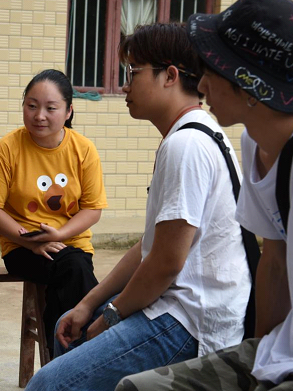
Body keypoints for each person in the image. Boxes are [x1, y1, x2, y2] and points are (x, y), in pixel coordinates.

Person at [25, 23, 252, 391]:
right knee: (68, 324)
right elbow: (151, 246)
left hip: (189, 321)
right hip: (176, 305)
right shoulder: (191, 133)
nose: (125, 86)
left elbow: (166, 263)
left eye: (133, 73)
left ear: (170, 76)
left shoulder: (186, 146)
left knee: (47, 384)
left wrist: (110, 317)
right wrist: (88, 304)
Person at [117, 0, 293, 391]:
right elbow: (274, 262)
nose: (202, 84)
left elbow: (166, 259)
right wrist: (258, 360)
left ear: (249, 84)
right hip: (282, 350)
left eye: (214, 69)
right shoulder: (254, 142)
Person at [0, 69, 108, 356]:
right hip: (21, 248)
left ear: (68, 111)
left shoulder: (84, 149)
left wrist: (59, 234)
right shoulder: (7, 148)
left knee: (72, 268)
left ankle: (60, 351)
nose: (39, 116)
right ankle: (82, 347)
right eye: (32, 105)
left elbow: (92, 209)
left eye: (51, 108)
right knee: (74, 271)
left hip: (72, 245)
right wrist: (31, 242)